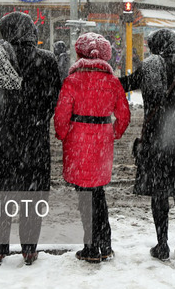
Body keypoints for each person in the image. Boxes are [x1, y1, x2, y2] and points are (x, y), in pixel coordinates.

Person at [0, 11, 61, 266]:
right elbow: (54, 98)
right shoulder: (48, 60)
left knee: (1, 194)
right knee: (32, 195)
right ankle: (29, 249)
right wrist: (37, 117)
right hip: (34, 139)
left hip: (0, 140)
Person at [119, 29, 175, 262]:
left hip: (157, 142)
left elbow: (123, 85)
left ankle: (162, 244)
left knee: (160, 193)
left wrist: (99, 75)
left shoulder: (150, 68)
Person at [54, 32, 130, 264]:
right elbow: (124, 115)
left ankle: (90, 247)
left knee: (84, 197)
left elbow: (61, 117)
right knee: (99, 194)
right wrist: (113, 132)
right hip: (102, 143)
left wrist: (64, 134)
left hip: (78, 142)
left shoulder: (72, 81)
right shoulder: (112, 81)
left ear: (79, 53)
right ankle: (105, 245)